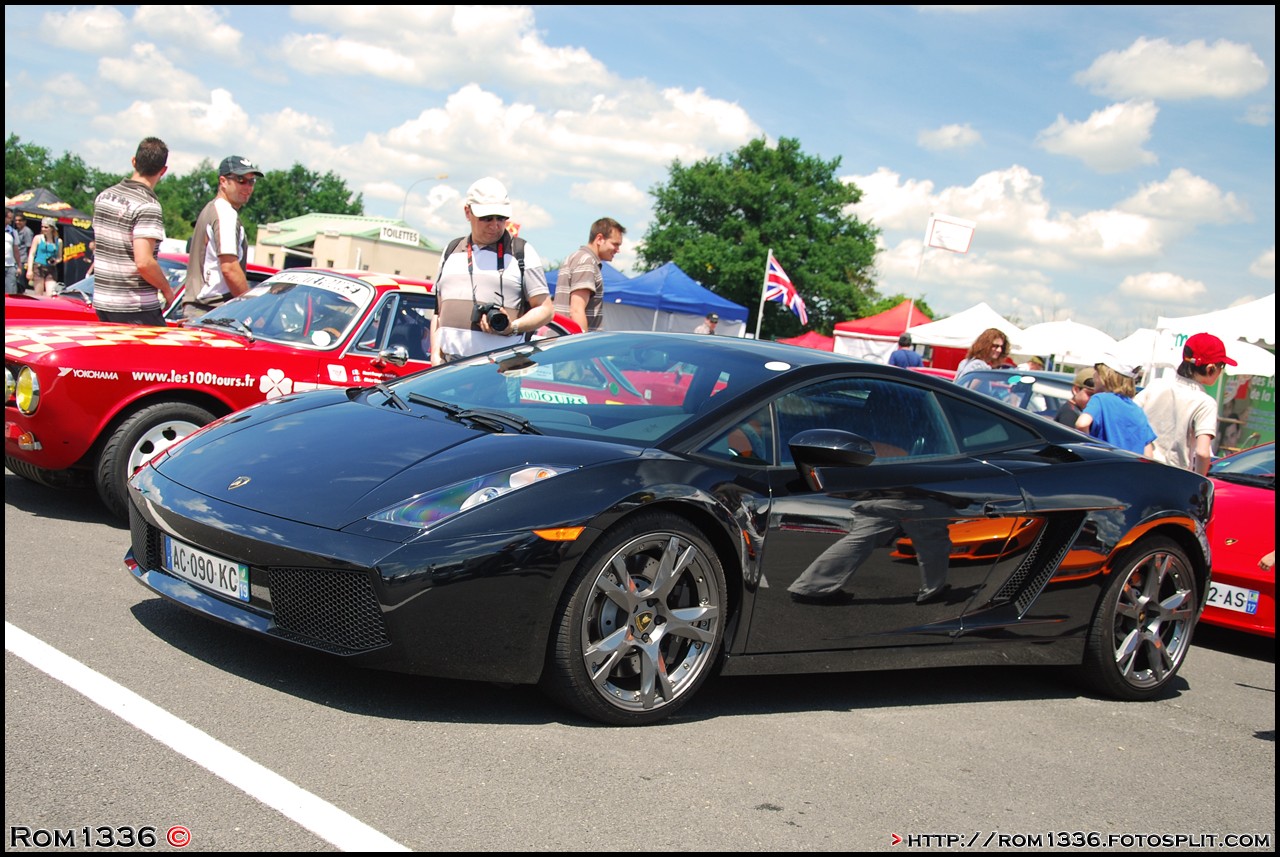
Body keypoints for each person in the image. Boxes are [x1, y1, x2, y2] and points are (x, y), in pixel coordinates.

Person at [429, 176, 554, 365]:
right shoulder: (451, 250)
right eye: (486, 218)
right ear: (467, 212)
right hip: (448, 371)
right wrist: (435, 356)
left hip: (500, 372)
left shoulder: (522, 252)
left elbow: (546, 310)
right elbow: (438, 313)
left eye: (501, 218)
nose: (495, 225)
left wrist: (512, 327)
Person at [91, 137, 176, 325]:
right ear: (163, 171)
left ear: (134, 161)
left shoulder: (103, 197)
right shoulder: (147, 205)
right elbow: (144, 262)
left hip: (103, 300)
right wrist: (167, 290)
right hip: (134, 305)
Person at [1135, 332, 1237, 476]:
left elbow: (1130, 416)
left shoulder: (1156, 385)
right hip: (1174, 477)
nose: (1222, 371)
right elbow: (1202, 452)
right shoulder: (1205, 403)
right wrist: (1200, 484)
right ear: (1211, 368)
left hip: (1139, 467)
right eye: (1222, 366)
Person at [184, 155, 264, 319]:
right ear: (223, 181)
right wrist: (251, 309)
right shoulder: (225, 213)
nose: (248, 186)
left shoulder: (211, 209)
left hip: (200, 310)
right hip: (212, 311)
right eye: (241, 180)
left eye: (252, 181)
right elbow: (230, 268)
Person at [553, 217, 625, 332]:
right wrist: (584, 344)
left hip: (561, 340)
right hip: (572, 344)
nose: (618, 250)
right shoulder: (587, 261)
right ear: (600, 239)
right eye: (615, 244)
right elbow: (576, 310)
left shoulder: (574, 257)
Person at [1075, 354, 1155, 456]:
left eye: (1097, 371)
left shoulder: (1100, 399)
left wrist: (1087, 450)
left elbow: (1082, 424)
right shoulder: (1138, 410)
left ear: (1105, 376)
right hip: (1130, 469)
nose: (1094, 375)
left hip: (1103, 464)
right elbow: (1148, 453)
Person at [26, 217, 63, 295]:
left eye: (46, 227)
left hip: (51, 269)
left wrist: (56, 261)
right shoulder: (38, 238)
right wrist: (29, 270)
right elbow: (31, 254)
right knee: (39, 294)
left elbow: (60, 257)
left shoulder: (58, 241)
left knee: (51, 293)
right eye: (42, 227)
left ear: (52, 228)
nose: (43, 229)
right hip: (38, 267)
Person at [13, 211, 34, 293]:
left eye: (20, 220)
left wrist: (28, 263)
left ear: (24, 221)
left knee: (20, 283)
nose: (17, 222)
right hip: (16, 260)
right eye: (16, 220)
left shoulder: (27, 231)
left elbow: (30, 248)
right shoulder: (16, 231)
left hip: (23, 260)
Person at [5, 209, 18, 295]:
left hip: (10, 266)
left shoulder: (13, 232)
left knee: (11, 292)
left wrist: (19, 266)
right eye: (9, 218)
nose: (11, 220)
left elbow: (16, 250)